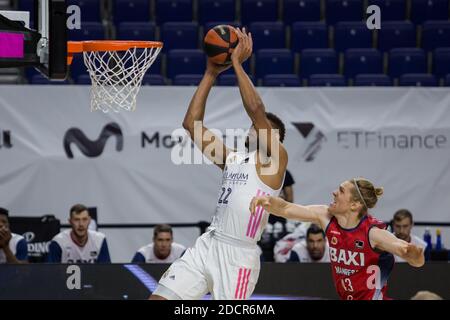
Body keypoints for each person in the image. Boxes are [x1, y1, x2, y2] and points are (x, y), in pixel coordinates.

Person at [151, 28, 288, 300]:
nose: (253, 129)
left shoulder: (276, 161)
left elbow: (257, 110)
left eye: (261, 129)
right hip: (208, 244)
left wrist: (236, 62)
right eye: (252, 127)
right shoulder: (233, 159)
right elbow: (191, 124)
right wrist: (211, 74)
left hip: (239, 256)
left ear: (276, 139)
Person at [250, 177, 425, 300]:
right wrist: (268, 201)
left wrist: (413, 254)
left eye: (341, 191)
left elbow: (411, 256)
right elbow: (287, 208)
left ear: (354, 205)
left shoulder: (373, 233)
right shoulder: (326, 216)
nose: (334, 193)